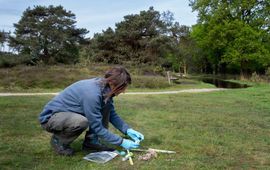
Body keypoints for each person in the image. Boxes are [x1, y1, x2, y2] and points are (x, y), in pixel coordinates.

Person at [39, 66, 144, 156]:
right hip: (51, 119)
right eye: (122, 88)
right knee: (81, 122)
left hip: (67, 115)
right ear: (112, 83)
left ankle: (92, 142)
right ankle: (59, 141)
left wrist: (127, 130)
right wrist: (121, 142)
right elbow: (96, 126)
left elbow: (111, 114)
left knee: (106, 108)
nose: (123, 91)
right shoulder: (92, 94)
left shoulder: (105, 89)